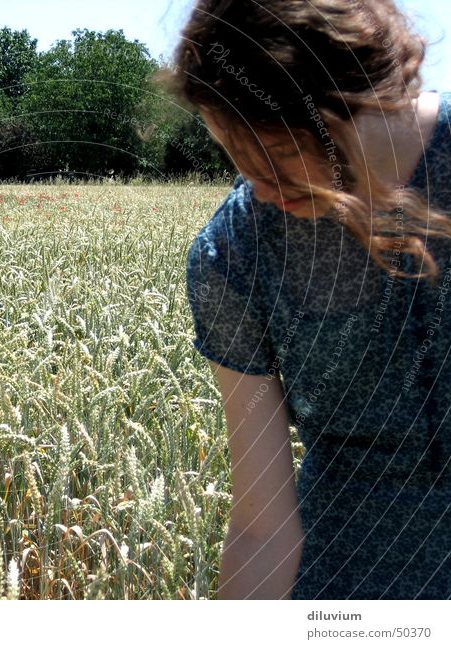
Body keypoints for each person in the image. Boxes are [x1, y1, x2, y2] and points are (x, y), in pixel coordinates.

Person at [169, 0, 451, 598]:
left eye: (278, 155)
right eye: (235, 156)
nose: (262, 190)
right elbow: (261, 528)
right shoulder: (234, 255)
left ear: (351, 100)